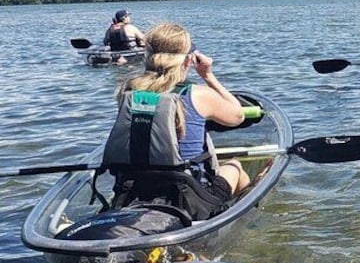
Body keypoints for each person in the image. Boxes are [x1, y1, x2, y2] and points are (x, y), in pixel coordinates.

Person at [101, 22, 250, 220]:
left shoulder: (128, 90)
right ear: (188, 60)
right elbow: (238, 116)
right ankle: (243, 219)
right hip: (190, 198)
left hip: (135, 190)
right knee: (235, 166)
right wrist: (208, 75)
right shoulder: (198, 94)